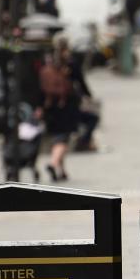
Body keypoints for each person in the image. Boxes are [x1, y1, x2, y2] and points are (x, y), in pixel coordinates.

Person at [39, 39, 77, 181]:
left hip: (49, 106)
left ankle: (62, 170)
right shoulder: (70, 64)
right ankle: (53, 163)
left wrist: (40, 107)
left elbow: (40, 89)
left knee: (57, 139)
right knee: (63, 140)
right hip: (65, 106)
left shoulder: (46, 65)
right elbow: (79, 82)